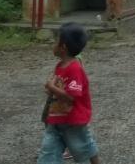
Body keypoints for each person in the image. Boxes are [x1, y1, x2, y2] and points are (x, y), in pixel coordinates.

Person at [38, 23, 101, 164]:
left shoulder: (75, 69)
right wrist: (51, 89)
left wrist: (52, 88)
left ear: (63, 47)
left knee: (82, 149)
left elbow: (71, 97)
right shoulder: (60, 66)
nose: (53, 44)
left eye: (56, 41)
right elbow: (60, 88)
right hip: (56, 118)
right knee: (48, 151)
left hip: (73, 121)